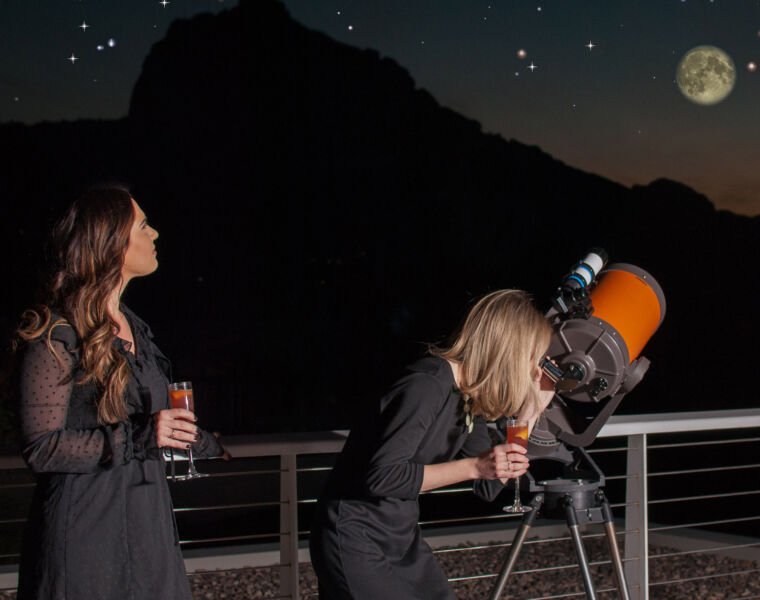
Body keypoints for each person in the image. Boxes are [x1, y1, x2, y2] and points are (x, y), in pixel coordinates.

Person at [13, 187, 223, 600]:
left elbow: (156, 425)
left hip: (148, 524)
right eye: (143, 225)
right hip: (86, 530)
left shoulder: (136, 328)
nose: (156, 233)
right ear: (111, 243)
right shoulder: (55, 334)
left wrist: (204, 443)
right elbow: (41, 448)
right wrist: (142, 436)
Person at [309, 289, 556, 599]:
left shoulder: (468, 397)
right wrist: (474, 466)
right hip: (355, 537)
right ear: (508, 350)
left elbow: (490, 486)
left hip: (400, 539)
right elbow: (382, 477)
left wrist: (531, 413)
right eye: (533, 358)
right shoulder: (426, 385)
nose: (536, 370)